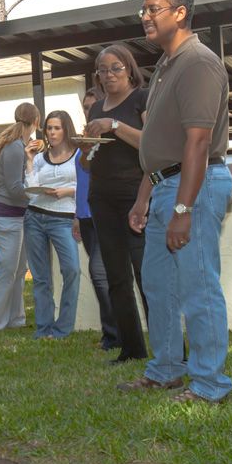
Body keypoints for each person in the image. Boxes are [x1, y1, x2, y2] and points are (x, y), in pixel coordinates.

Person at [121, 0, 232, 403]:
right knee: (158, 285)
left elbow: (198, 143)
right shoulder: (167, 66)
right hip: (165, 187)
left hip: (195, 188)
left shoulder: (198, 63)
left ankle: (209, 385)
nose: (146, 17)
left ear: (181, 13)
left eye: (154, 9)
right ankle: (167, 368)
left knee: (198, 287)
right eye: (144, 10)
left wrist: (184, 208)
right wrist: (143, 197)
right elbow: (159, 146)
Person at [82, 43, 151, 364]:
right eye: (102, 70)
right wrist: (85, 149)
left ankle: (168, 350)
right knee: (116, 277)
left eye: (115, 68)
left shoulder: (142, 98)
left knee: (145, 274)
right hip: (101, 197)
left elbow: (152, 144)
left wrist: (116, 126)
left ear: (129, 68)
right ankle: (132, 349)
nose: (108, 75)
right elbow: (92, 157)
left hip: (135, 195)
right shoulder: (96, 109)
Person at [0, 102, 42, 333]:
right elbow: (15, 188)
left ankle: (16, 319)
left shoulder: (21, 146)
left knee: (18, 270)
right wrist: (39, 194)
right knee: (7, 270)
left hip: (17, 216)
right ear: (36, 121)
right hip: (5, 216)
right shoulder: (15, 148)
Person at [24, 110, 80, 339]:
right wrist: (28, 161)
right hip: (35, 217)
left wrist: (68, 191)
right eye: (49, 128)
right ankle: (44, 328)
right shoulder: (39, 158)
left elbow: (87, 186)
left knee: (72, 270)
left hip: (63, 219)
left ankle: (63, 328)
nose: (52, 132)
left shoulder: (79, 155)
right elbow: (30, 188)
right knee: (41, 276)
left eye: (57, 128)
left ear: (66, 129)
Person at [74, 88, 120, 350]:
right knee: (104, 274)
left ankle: (114, 335)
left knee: (99, 272)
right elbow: (82, 177)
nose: (89, 110)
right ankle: (111, 334)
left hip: (105, 214)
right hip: (86, 215)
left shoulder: (110, 138)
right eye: (85, 106)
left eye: (93, 106)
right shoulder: (84, 138)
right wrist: (77, 216)